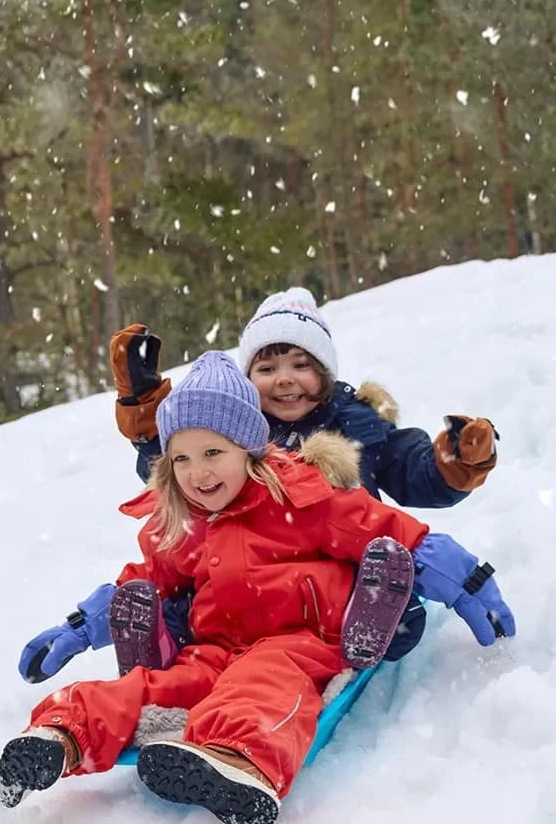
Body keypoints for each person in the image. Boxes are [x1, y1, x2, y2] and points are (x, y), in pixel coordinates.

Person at [0, 352, 515, 824]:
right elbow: (144, 579)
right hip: (216, 646)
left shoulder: (304, 496)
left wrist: (466, 581)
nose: (198, 473)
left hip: (301, 639)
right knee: (150, 688)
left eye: (213, 452)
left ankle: (240, 759)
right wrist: (78, 628)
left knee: (264, 683)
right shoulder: (185, 522)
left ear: (248, 449)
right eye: (182, 460)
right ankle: (58, 738)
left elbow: (390, 529)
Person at [105, 286, 500, 669]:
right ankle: (163, 643)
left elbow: (414, 472)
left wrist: (455, 461)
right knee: (188, 598)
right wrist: (142, 406)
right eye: (266, 368)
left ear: (326, 373)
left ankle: (364, 622)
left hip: (337, 566)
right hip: (242, 573)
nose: (284, 378)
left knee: (400, 614)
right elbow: (176, 466)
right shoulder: (233, 432)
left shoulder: (357, 424)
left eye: (301, 365)